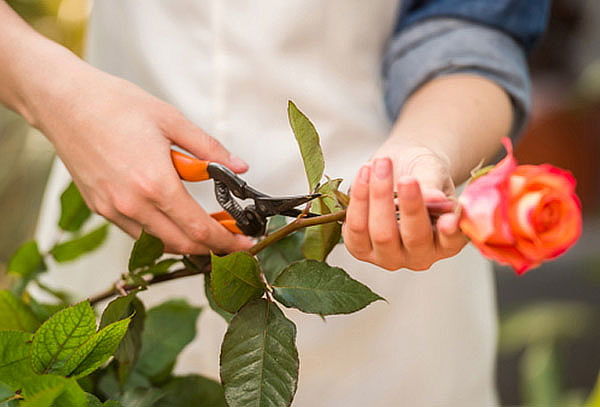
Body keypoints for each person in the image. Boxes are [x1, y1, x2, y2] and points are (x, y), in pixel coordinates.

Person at [0, 1, 549, 405]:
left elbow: (476, 23)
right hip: (111, 217)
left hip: (391, 272)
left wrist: (425, 152)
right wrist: (53, 95)